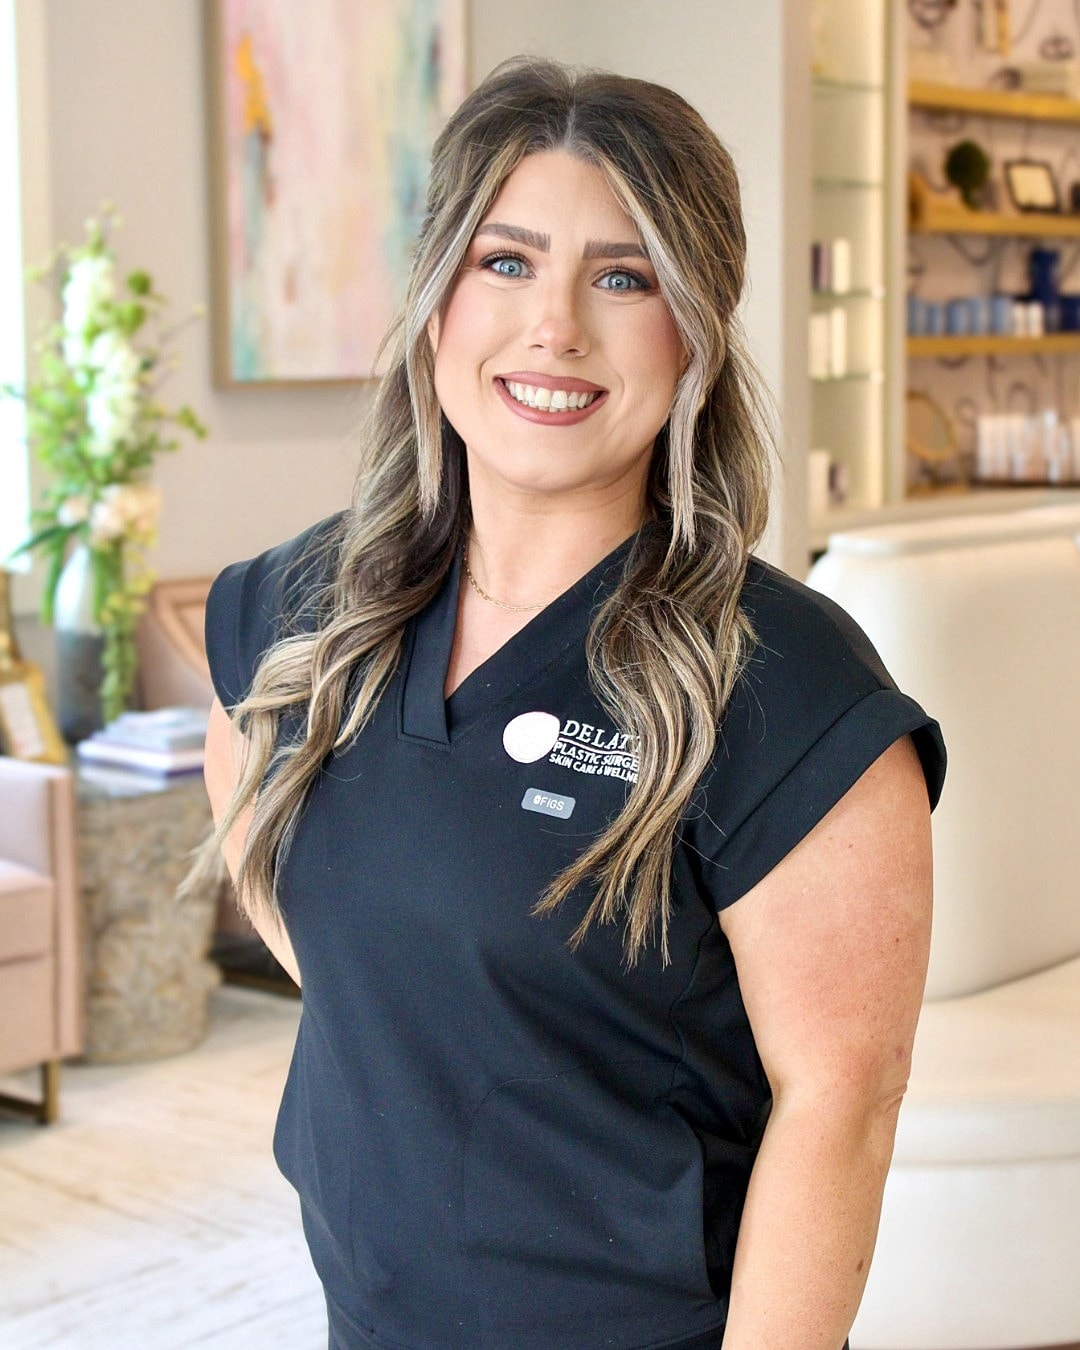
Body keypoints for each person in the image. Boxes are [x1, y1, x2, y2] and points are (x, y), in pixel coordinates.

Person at [201, 56, 945, 1350]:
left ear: (695, 325)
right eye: (506, 262)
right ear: (437, 299)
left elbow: (843, 1101)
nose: (555, 327)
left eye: (623, 275)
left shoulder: (788, 688)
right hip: (366, 1313)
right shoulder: (302, 609)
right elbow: (274, 865)